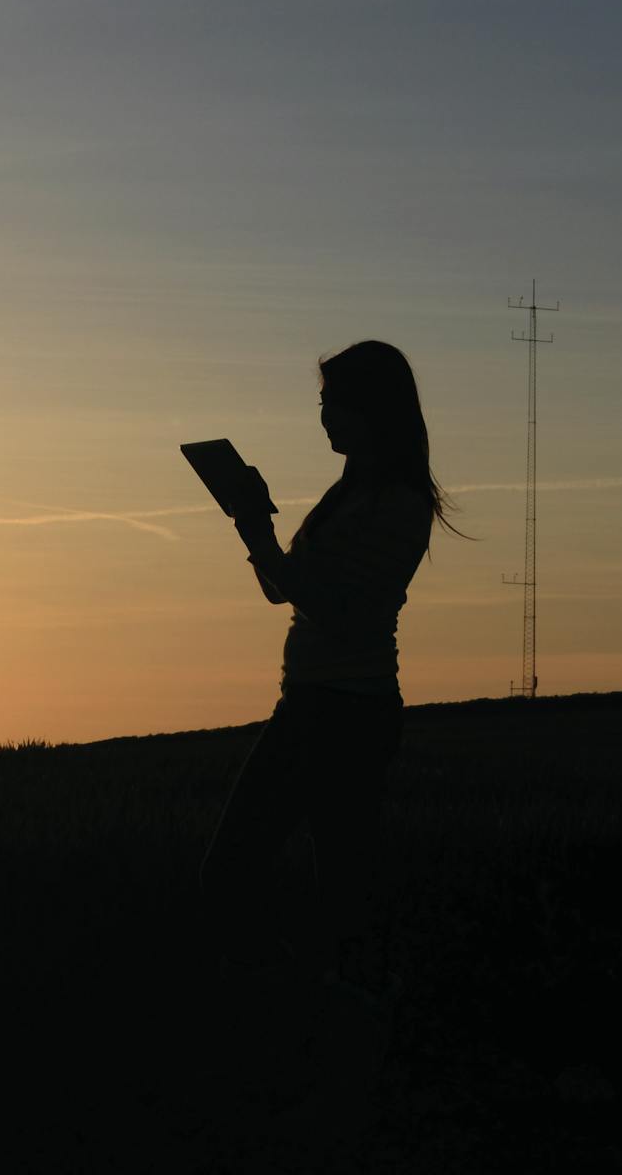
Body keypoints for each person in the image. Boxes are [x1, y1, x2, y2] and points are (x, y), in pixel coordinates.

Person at [199, 339, 460, 995]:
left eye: (334, 403)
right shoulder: (348, 495)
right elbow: (285, 590)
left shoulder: (396, 502)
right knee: (332, 885)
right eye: (322, 404)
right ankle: (325, 1006)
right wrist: (252, 522)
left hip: (343, 712)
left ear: (371, 409)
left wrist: (264, 536)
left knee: (263, 874)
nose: (324, 417)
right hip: (318, 705)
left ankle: (311, 1008)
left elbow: (340, 611)